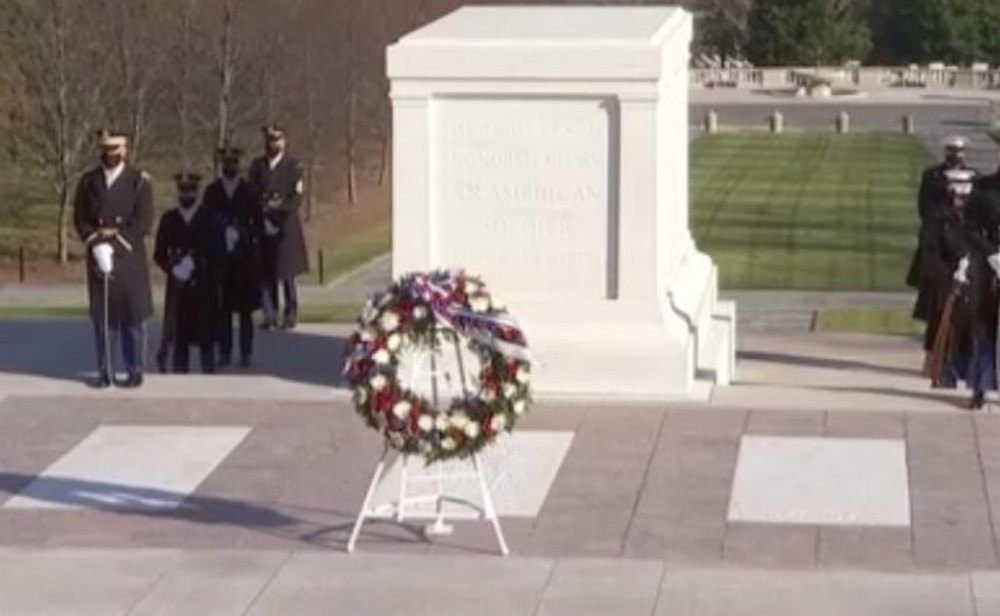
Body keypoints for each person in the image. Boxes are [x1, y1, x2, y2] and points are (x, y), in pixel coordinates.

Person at [72, 130, 154, 389]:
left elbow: (142, 222)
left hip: (128, 256)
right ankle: (105, 370)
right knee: (104, 318)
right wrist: (95, 244)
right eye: (106, 152)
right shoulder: (88, 182)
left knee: (133, 317)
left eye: (115, 152)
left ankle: (134, 369)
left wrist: (115, 245)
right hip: (99, 256)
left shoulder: (139, 182)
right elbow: (81, 217)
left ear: (124, 152)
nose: (111, 156)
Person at [153, 172, 223, 374]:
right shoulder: (169, 219)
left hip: (203, 288)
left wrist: (198, 264)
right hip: (178, 288)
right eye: (183, 190)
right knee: (179, 340)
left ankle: (208, 376)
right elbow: (159, 253)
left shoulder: (210, 218)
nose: (186, 195)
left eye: (190, 190)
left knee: (206, 340)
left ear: (198, 192)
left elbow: (218, 253)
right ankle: (178, 378)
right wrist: (172, 267)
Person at [911, 136, 975, 351]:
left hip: (964, 244)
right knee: (935, 302)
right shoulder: (932, 177)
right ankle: (934, 350)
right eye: (951, 150)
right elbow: (925, 210)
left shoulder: (975, 178)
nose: (956, 155)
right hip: (937, 245)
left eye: (960, 151)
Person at [202, 146, 263, 367]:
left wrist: (242, 234)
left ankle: (246, 352)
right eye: (226, 163)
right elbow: (206, 221)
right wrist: (221, 232)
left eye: (233, 163)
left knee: (245, 311)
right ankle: (224, 351)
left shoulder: (249, 191)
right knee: (222, 310)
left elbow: (258, 225)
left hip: (244, 259)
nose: (230, 167)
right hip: (221, 259)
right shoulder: (212, 191)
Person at [247, 124, 309, 330]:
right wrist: (263, 213)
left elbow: (295, 198)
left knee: (286, 273)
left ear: (283, 142)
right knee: (266, 274)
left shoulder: (294, 167)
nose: (272, 144)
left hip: (285, 227)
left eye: (276, 140)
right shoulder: (257, 166)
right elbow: (253, 192)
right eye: (269, 140)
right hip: (263, 225)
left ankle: (290, 313)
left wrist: (278, 214)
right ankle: (270, 313)